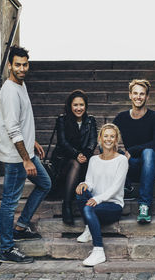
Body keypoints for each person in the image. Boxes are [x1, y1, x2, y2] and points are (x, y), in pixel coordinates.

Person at [0, 45, 51, 264]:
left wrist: (32, 140)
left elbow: (21, 121)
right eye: (17, 64)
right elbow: (12, 128)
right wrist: (26, 158)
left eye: (25, 64)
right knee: (9, 202)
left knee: (45, 183)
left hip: (24, 150)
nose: (21, 68)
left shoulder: (21, 84)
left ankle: (20, 226)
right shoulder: (9, 90)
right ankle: (6, 249)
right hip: (17, 157)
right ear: (10, 65)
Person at [113, 79, 155, 224]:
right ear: (130, 95)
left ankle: (144, 206)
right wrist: (121, 154)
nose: (138, 97)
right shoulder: (121, 117)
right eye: (135, 93)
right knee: (110, 148)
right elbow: (107, 137)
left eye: (142, 94)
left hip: (151, 167)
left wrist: (131, 150)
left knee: (148, 152)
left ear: (147, 97)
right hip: (131, 167)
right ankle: (125, 184)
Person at [76, 123, 128, 266]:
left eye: (112, 136)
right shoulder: (93, 160)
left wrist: (97, 199)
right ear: (100, 138)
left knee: (88, 208)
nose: (108, 139)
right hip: (96, 202)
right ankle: (89, 228)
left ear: (116, 139)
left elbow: (115, 188)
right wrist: (84, 184)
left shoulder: (121, 160)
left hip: (112, 206)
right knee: (80, 190)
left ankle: (98, 251)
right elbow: (90, 182)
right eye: (106, 136)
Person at [51, 89, 97, 225]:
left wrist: (85, 155)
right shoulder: (62, 120)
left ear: (86, 106)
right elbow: (62, 142)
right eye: (75, 105)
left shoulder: (90, 121)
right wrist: (77, 155)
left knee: (89, 163)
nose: (78, 108)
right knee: (75, 164)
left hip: (83, 161)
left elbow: (93, 141)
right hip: (64, 163)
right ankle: (67, 205)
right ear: (70, 106)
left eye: (81, 105)